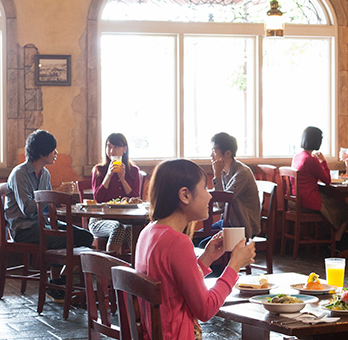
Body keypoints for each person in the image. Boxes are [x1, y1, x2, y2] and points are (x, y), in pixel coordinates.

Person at [135, 159, 256, 340]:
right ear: (185, 195)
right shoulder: (178, 242)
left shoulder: (148, 232)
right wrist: (235, 265)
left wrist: (206, 258)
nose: (209, 196)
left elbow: (173, 285)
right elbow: (206, 309)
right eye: (205, 189)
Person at [5, 130, 94, 301]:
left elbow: (45, 208)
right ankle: (55, 283)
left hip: (42, 223)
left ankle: (60, 280)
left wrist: (58, 199)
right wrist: (54, 194)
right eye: (53, 150)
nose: (56, 154)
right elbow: (27, 208)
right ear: (42, 152)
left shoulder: (45, 173)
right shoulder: (19, 174)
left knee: (85, 236)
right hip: (22, 228)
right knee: (63, 238)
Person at [292, 126, 348, 242]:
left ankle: (333, 239)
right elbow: (327, 180)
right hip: (309, 202)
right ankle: (336, 241)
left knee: (334, 203)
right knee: (346, 209)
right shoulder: (310, 160)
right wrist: (323, 161)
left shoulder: (297, 156)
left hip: (296, 199)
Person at [89, 133, 141, 254]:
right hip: (100, 219)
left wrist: (123, 180)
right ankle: (110, 269)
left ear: (125, 149)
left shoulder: (133, 171)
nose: (112, 151)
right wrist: (108, 175)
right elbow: (98, 198)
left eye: (116, 147)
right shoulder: (99, 170)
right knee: (118, 227)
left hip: (126, 219)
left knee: (132, 230)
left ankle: (136, 268)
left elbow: (136, 199)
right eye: (109, 146)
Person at [207, 132, 261, 240]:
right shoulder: (224, 171)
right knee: (194, 238)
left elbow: (222, 204)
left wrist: (216, 174)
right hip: (227, 222)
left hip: (242, 226)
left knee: (202, 244)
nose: (211, 155)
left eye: (214, 151)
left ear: (227, 153)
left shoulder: (242, 173)